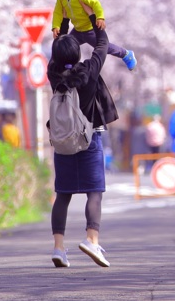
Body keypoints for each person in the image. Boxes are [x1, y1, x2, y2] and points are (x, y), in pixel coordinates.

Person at [46, 22, 120, 268]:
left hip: (63, 143)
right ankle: (91, 239)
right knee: (94, 193)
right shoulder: (88, 72)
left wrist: (63, 25)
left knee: (63, 196)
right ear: (77, 53)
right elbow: (101, 45)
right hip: (89, 141)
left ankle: (58, 248)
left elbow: (59, 51)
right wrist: (96, 21)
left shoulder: (54, 76)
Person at [52, 0, 136, 70]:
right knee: (66, 46)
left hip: (89, 30)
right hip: (77, 31)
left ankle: (126, 54)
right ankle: (68, 65)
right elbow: (57, 13)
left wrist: (100, 17)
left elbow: (95, 4)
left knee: (105, 47)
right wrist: (56, 26)